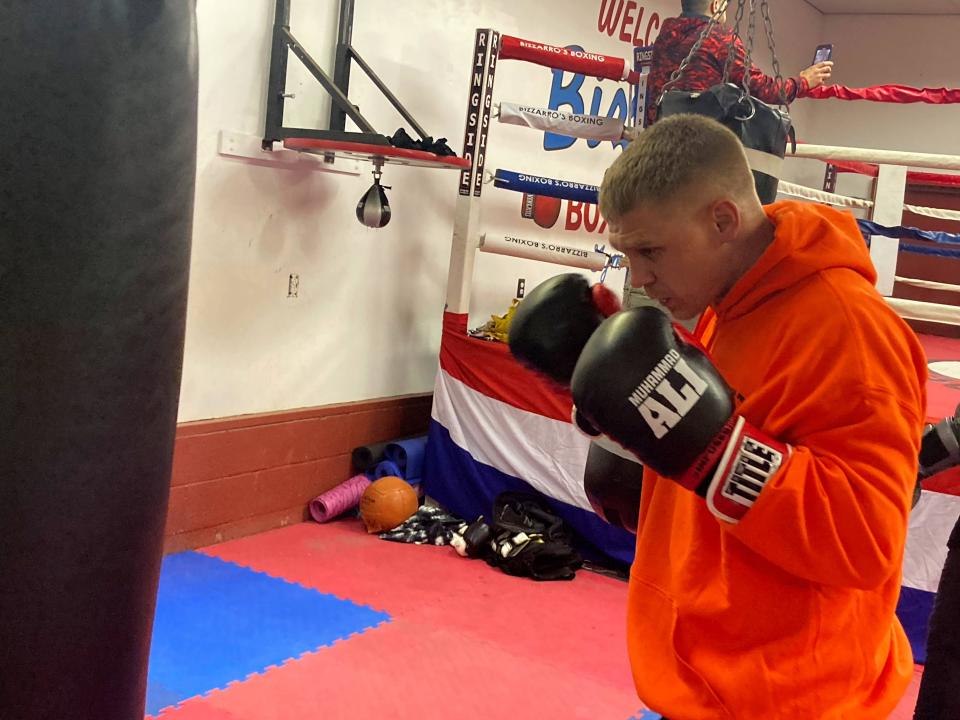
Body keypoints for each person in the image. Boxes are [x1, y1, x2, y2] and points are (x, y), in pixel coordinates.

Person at [509, 114, 926, 718]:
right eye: (627, 253)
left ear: (723, 220)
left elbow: (866, 541)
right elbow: (700, 459)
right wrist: (611, 402)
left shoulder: (849, 330)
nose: (640, 276)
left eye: (650, 250)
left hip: (792, 697)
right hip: (701, 677)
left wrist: (717, 452)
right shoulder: (724, 302)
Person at [644, 0, 834, 127]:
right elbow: (763, 88)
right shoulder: (720, 39)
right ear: (716, 5)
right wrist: (803, 82)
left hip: (657, 136)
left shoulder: (666, 32)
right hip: (695, 142)